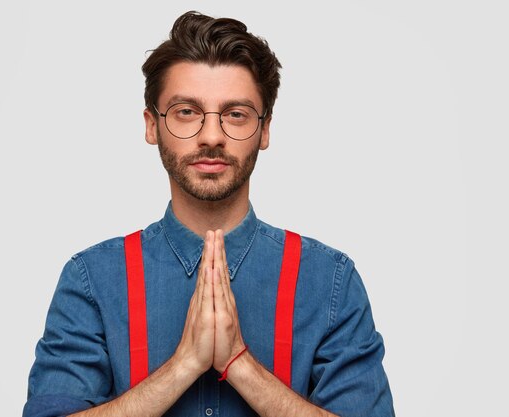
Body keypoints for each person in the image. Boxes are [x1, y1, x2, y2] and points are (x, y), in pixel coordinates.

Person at [23, 10, 395, 417]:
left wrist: (240, 365)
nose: (212, 135)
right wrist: (184, 365)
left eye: (236, 114)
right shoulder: (91, 279)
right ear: (152, 126)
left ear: (265, 129)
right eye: (186, 111)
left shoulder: (329, 282)